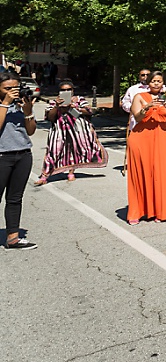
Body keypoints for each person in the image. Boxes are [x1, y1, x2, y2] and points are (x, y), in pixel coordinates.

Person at [126, 70, 166, 225]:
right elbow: (137, 117)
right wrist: (147, 107)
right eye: (153, 81)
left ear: (163, 83)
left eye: (159, 81)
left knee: (162, 173)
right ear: (147, 83)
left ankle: (161, 210)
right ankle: (138, 211)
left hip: (163, 136)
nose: (156, 83)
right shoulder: (139, 96)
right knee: (142, 172)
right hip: (141, 136)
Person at [35, 80, 106, 185]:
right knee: (53, 151)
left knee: (75, 151)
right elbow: (50, 117)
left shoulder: (79, 99)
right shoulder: (54, 102)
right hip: (59, 130)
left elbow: (88, 111)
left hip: (77, 130)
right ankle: (45, 175)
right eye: (63, 90)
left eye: (69, 89)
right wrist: (57, 107)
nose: (66, 91)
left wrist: (74, 107)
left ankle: (71, 172)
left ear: (73, 90)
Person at [0, 71, 38, 249]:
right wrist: (5, 104)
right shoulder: (5, 104)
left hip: (23, 154)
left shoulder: (20, 104)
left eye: (15, 88)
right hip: (2, 156)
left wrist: (28, 112)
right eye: (7, 88)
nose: (12, 91)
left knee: (15, 198)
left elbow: (30, 131)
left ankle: (13, 237)